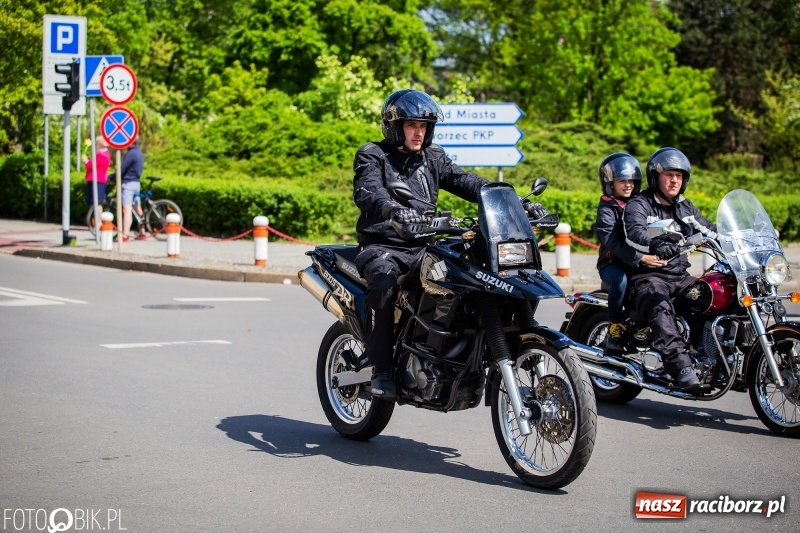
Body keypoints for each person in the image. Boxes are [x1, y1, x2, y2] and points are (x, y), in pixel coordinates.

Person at [353, 89, 546, 398]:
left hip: (422, 247)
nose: (419, 132)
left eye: (424, 126)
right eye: (411, 125)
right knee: (384, 282)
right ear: (394, 126)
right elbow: (368, 190)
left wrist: (514, 200)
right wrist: (393, 210)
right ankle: (381, 369)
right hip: (383, 246)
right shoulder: (373, 154)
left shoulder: (433, 157)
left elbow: (465, 181)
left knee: (469, 274)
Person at [623, 147, 717, 392]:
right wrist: (655, 243)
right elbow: (633, 234)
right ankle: (681, 367)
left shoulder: (685, 208)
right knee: (660, 306)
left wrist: (742, 238)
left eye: (679, 175)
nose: (675, 180)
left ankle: (709, 356)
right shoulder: (639, 204)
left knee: (713, 295)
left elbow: (708, 230)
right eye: (668, 174)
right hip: (649, 277)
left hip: (680, 277)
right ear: (655, 177)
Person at [594, 153, 664, 351]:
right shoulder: (607, 208)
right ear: (610, 183)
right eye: (622, 181)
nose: (628, 185)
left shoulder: (640, 204)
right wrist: (641, 257)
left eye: (631, 181)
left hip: (638, 261)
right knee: (621, 281)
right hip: (612, 264)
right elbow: (612, 242)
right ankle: (614, 325)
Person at [120, 137, 146, 241]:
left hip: (128, 183)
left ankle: (125, 235)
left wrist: (112, 177)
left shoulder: (130, 154)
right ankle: (142, 232)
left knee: (127, 210)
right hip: (136, 183)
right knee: (137, 208)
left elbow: (123, 168)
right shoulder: (139, 152)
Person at [82, 136, 111, 206]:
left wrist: (85, 161)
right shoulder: (104, 154)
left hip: (97, 180)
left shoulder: (101, 155)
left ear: (99, 144)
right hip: (98, 180)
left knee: (97, 202)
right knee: (97, 202)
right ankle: (96, 216)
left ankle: (97, 216)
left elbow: (91, 165)